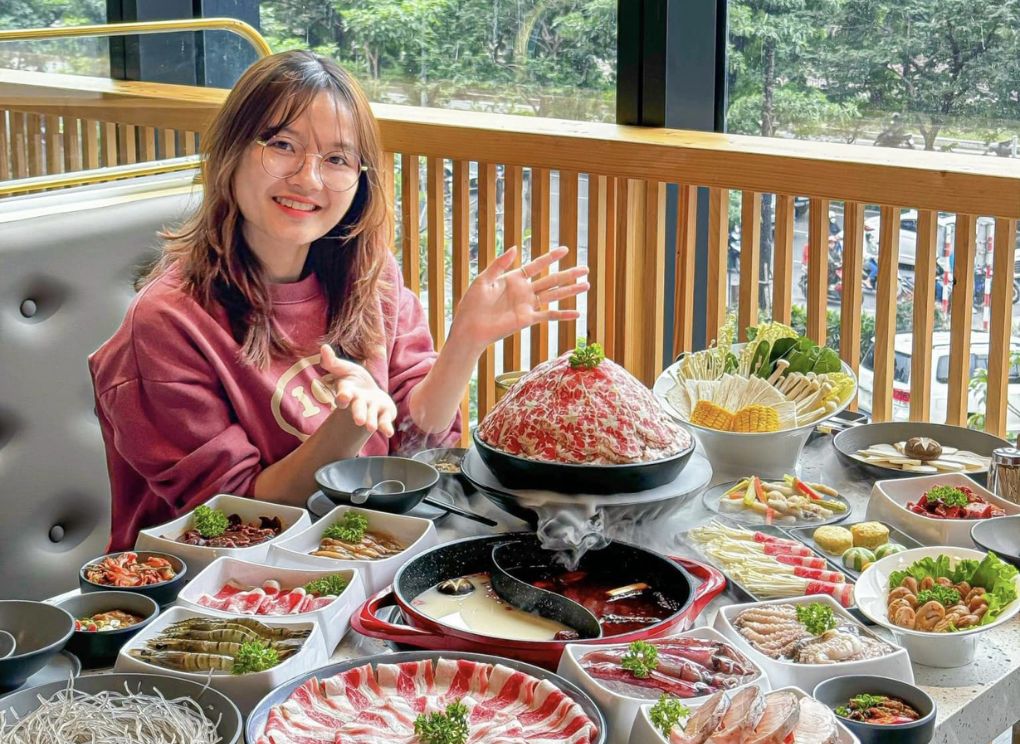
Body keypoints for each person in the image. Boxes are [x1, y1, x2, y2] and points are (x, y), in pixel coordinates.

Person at [89, 51, 589, 551]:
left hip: (360, 551)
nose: (308, 179)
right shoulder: (167, 322)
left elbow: (419, 446)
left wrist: (466, 341)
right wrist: (350, 423)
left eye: (336, 159)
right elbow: (235, 519)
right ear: (230, 150)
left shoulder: (370, 277)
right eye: (282, 145)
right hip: (209, 582)